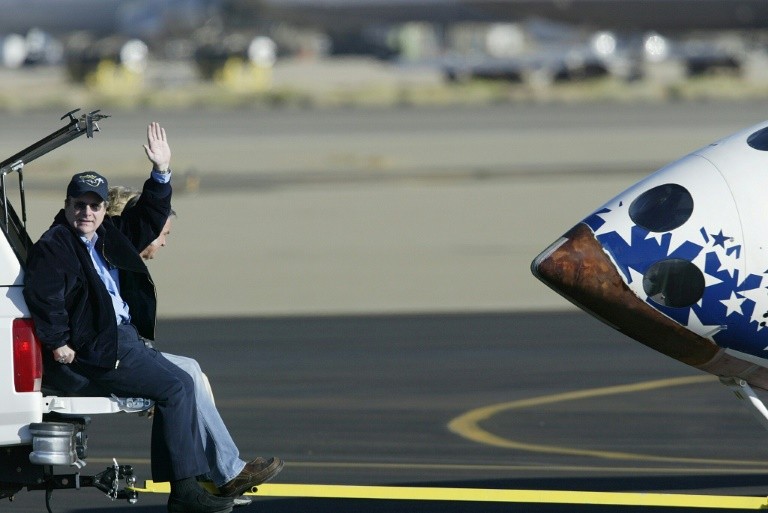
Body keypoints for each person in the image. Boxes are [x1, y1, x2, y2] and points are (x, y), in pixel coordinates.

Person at [23, 123, 281, 513]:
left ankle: (218, 476)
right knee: (175, 388)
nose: (87, 212)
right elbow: (46, 297)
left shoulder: (105, 234)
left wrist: (161, 172)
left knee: (186, 375)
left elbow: (150, 216)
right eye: (80, 204)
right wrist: (59, 342)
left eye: (94, 205)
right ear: (67, 203)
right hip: (97, 350)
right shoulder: (55, 246)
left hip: (120, 340)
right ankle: (186, 491)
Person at [107, 185, 276, 506]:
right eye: (163, 233)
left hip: (125, 352)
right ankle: (223, 472)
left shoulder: (121, 260)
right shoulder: (116, 256)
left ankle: (215, 471)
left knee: (192, 370)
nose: (165, 242)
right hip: (113, 359)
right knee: (186, 375)